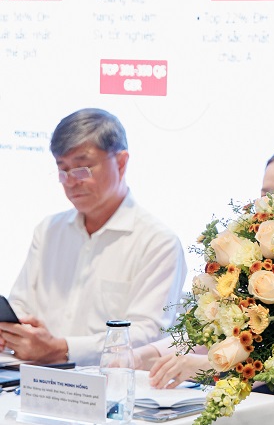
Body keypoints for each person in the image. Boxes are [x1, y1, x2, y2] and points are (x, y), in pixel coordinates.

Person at [137, 144, 274, 425]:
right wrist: (146, 355)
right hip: (249, 411)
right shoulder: (251, 255)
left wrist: (208, 366)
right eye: (266, 195)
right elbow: (213, 333)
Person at [0, 108, 187, 366]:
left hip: (108, 382)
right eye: (63, 170)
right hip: (31, 376)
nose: (70, 182)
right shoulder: (49, 230)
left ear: (121, 163)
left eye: (82, 169)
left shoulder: (157, 242)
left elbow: (147, 335)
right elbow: (21, 304)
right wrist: (14, 332)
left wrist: (63, 349)